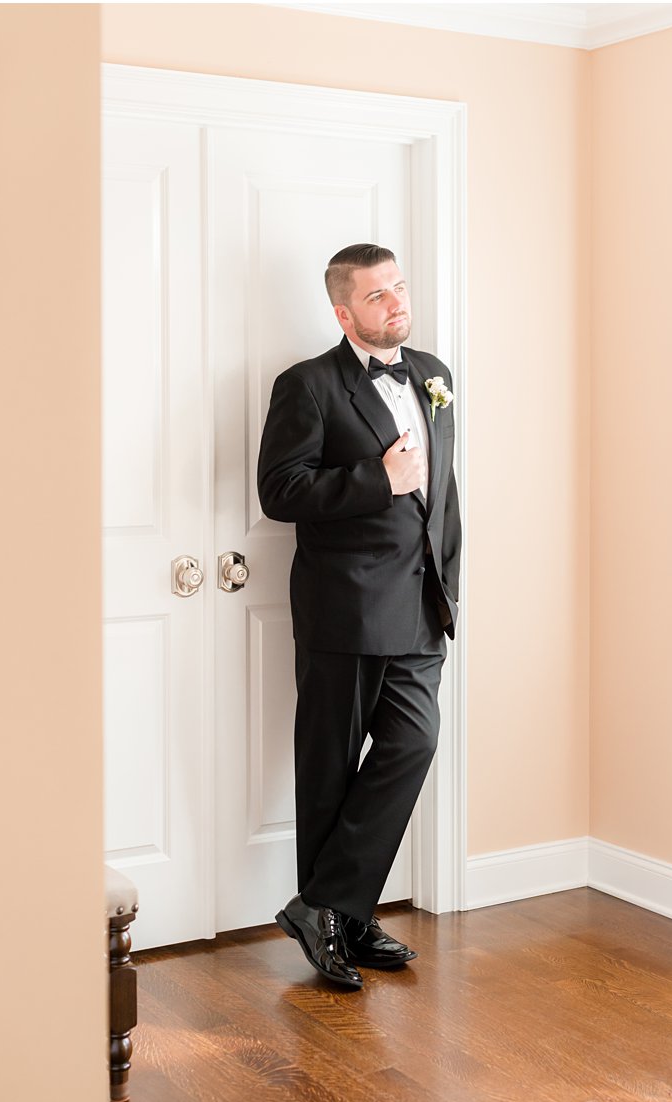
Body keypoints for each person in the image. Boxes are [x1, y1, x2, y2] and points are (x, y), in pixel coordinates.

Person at [256, 243, 460, 989]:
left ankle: (329, 906)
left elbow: (447, 492)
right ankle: (345, 918)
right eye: (378, 296)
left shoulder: (434, 375)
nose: (397, 303)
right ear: (344, 312)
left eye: (400, 288)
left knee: (414, 742)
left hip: (419, 607)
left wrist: (452, 581)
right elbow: (279, 491)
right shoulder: (307, 385)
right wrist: (377, 477)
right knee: (330, 771)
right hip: (344, 607)